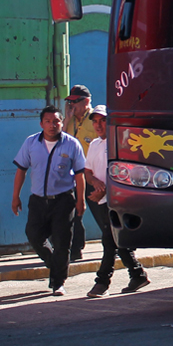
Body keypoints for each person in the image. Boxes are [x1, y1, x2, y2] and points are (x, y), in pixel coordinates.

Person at [12, 105, 86, 296]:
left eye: (56, 121)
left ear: (61, 122)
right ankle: (54, 263)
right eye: (48, 121)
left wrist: (80, 200)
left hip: (63, 201)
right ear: (41, 124)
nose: (52, 125)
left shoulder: (71, 144)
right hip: (38, 200)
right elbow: (21, 170)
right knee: (33, 235)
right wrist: (15, 196)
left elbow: (80, 175)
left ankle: (58, 282)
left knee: (62, 242)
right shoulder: (31, 142)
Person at [84, 105, 150, 297]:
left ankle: (102, 282)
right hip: (102, 200)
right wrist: (96, 184)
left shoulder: (120, 143)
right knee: (116, 239)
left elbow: (124, 171)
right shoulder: (94, 144)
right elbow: (88, 171)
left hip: (118, 199)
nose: (98, 125)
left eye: (102, 121)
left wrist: (104, 189)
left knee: (109, 240)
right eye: (95, 122)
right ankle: (137, 274)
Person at [63, 84, 98, 261]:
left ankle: (117, 245)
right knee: (75, 211)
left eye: (75, 102)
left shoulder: (95, 120)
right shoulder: (70, 120)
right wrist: (67, 119)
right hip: (74, 174)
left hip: (93, 174)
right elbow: (60, 140)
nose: (72, 105)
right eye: (70, 102)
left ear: (86, 101)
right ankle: (75, 249)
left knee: (100, 210)